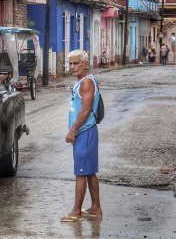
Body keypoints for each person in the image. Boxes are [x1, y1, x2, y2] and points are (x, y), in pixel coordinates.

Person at [61, 49, 103, 222]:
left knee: (81, 173)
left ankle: (76, 211)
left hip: (84, 132)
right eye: (70, 63)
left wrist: (72, 131)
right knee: (90, 172)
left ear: (85, 64)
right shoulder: (84, 81)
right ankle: (95, 208)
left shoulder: (86, 83)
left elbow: (85, 109)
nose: (72, 67)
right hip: (87, 132)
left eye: (76, 63)